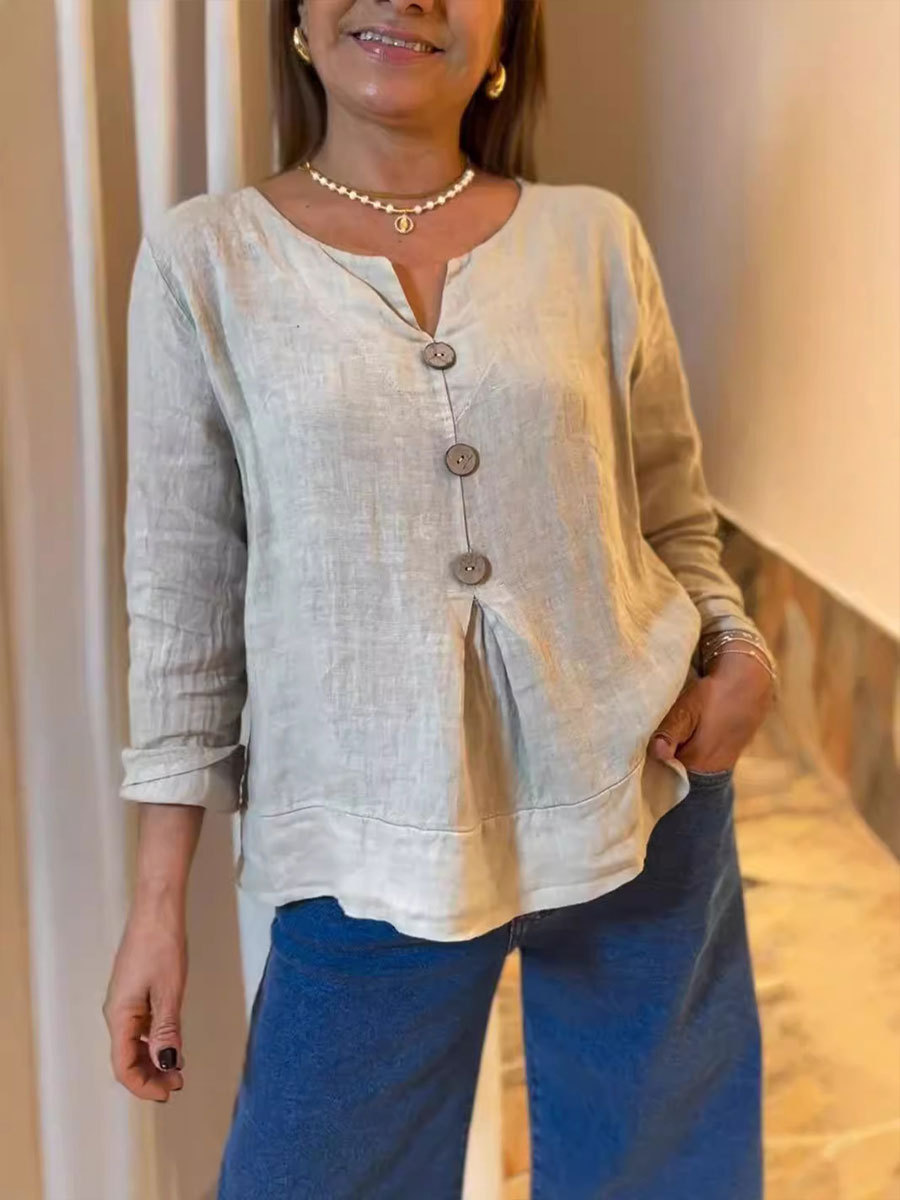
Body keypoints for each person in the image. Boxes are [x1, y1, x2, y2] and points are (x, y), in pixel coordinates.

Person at [104, 0, 778, 1196]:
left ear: (506, 34)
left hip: (643, 800)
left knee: (667, 1176)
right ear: (298, 21)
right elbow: (183, 596)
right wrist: (157, 903)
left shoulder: (593, 239)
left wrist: (741, 654)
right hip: (365, 848)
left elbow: (673, 514)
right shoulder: (206, 260)